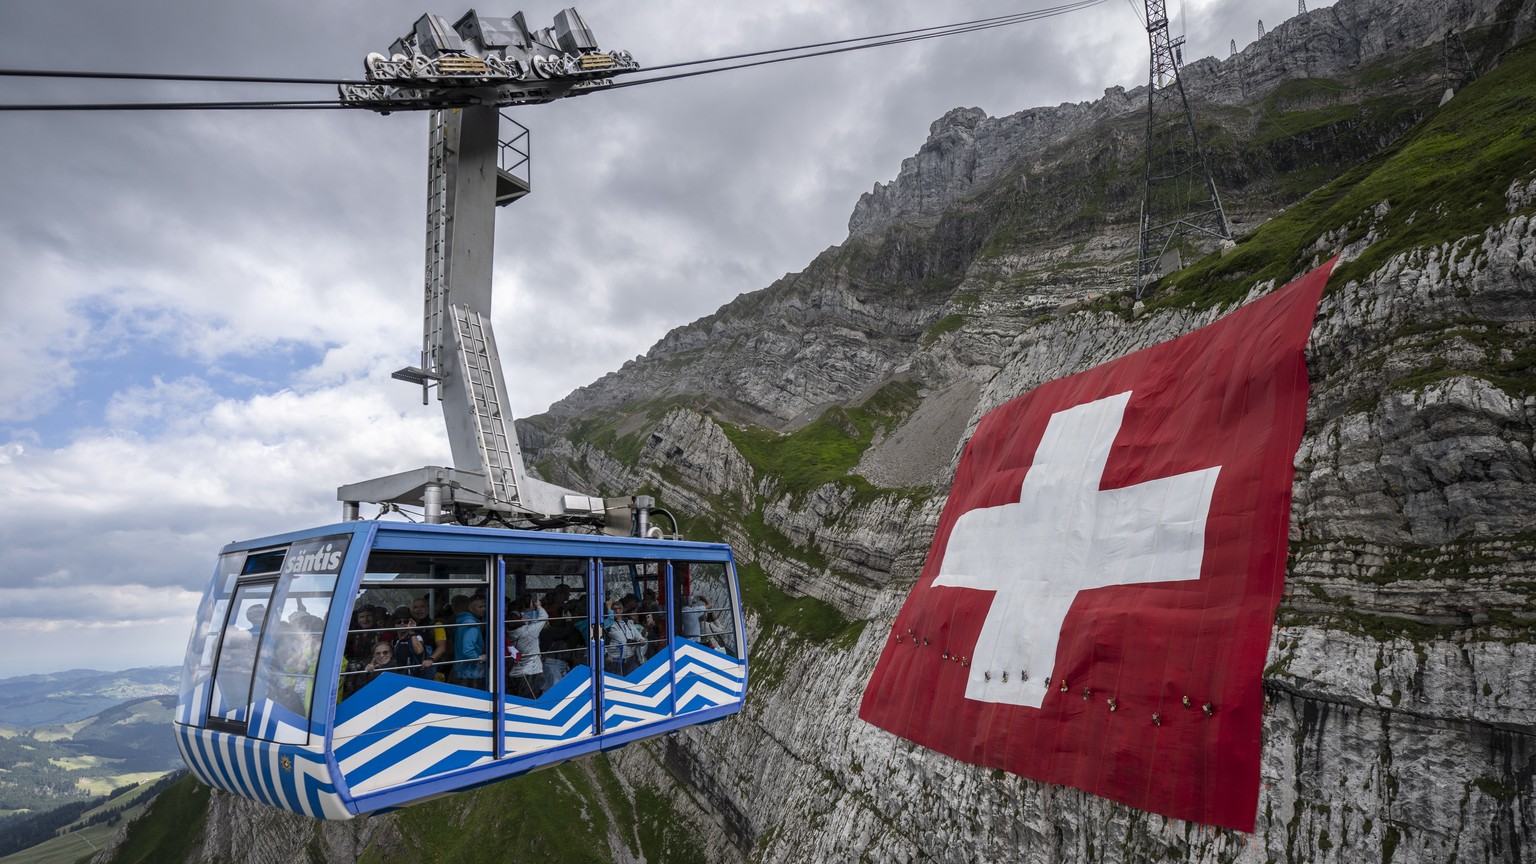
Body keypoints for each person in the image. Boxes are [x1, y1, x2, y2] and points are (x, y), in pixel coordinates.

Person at [506, 595, 548, 699]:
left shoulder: (510, 632)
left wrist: (523, 620)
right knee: (530, 703)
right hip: (531, 673)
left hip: (515, 673)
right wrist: (538, 606)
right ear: (520, 620)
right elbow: (544, 617)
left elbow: (517, 625)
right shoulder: (528, 632)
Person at [455, 594, 487, 690]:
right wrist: (480, 659)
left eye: (485, 606)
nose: (484, 609)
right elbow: (468, 650)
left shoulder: (462, 620)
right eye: (480, 607)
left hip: (461, 669)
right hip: (471, 672)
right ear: (471, 608)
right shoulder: (472, 624)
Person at [412, 595, 448, 678]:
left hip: (434, 668)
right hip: (416, 668)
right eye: (415, 607)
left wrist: (431, 659)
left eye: (422, 606)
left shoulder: (436, 625)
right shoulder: (410, 626)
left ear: (428, 608)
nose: (419, 609)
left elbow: (442, 647)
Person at [391, 607, 430, 677]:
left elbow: (419, 651)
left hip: (413, 676)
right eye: (398, 622)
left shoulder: (416, 636)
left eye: (406, 621)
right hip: (399, 675)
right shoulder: (395, 641)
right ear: (394, 624)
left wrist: (411, 631)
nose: (402, 624)